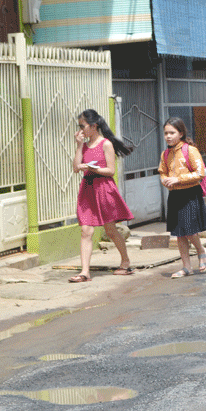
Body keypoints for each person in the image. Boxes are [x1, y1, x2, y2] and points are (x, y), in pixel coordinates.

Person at [69, 109, 135, 282]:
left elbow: (110, 170)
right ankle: (85, 272)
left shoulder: (106, 144)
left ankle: (125, 261)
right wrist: (78, 146)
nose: (80, 130)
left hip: (104, 188)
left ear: (94, 125)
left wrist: (91, 168)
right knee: (86, 231)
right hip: (87, 189)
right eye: (79, 126)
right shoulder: (84, 146)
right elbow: (76, 168)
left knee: (110, 230)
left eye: (82, 126)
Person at [158, 117, 206, 278]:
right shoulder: (165, 154)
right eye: (166, 133)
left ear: (181, 133)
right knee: (179, 233)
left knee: (190, 230)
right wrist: (165, 181)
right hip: (175, 195)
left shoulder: (190, 150)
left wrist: (179, 179)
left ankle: (201, 250)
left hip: (190, 194)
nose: (168, 136)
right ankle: (186, 267)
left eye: (172, 133)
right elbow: (162, 172)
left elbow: (200, 173)